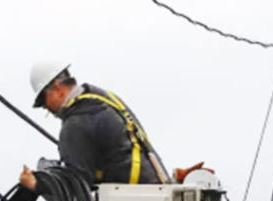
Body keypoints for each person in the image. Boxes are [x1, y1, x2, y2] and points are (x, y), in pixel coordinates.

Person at [19, 61, 170, 193]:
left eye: (42, 100)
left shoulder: (77, 123)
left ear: (56, 87)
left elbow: (77, 184)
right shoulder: (103, 98)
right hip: (154, 186)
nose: (45, 108)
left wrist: (37, 184)